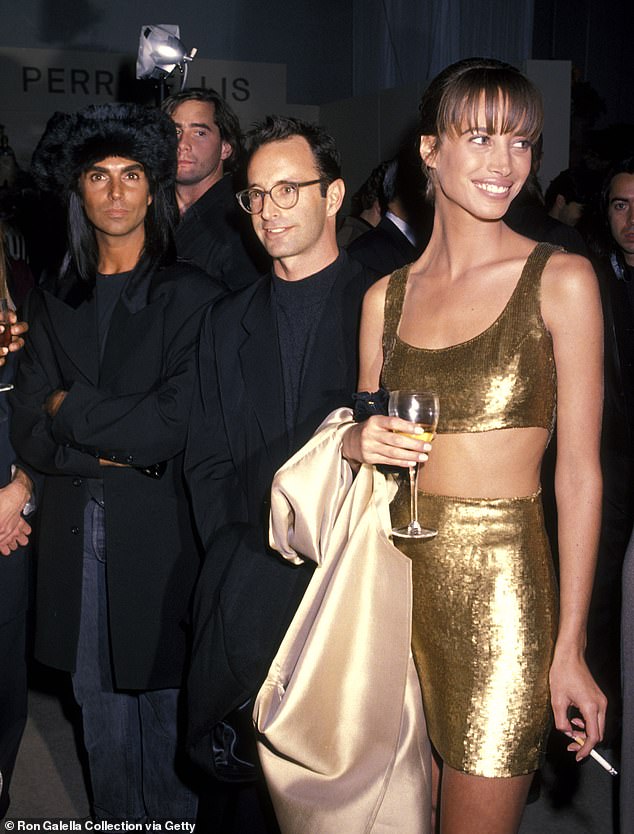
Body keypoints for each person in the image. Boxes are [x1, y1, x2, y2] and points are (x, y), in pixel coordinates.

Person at [341, 58, 607, 834]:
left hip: (502, 595)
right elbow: (356, 455)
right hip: (388, 588)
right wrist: (355, 443)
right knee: (393, 818)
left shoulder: (561, 281)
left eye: (522, 143)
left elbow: (581, 478)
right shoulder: (381, 299)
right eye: (482, 136)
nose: (505, 163)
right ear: (430, 150)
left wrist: (572, 645)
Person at [10, 102, 224, 822]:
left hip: (162, 542)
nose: (115, 191)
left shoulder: (192, 296)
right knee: (99, 723)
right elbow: (25, 428)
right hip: (76, 539)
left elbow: (174, 423)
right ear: (78, 192)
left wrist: (69, 409)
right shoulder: (51, 301)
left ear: (153, 187)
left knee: (166, 722)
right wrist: (110, 448)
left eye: (131, 174)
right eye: (98, 176)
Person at [184, 115, 375, 832]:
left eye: (288, 189)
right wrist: (253, 562)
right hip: (249, 590)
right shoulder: (223, 321)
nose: (267, 210)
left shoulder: (387, 306)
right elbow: (205, 468)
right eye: (256, 194)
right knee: (242, 807)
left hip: (354, 599)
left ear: (333, 197)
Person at [162, 87, 266, 288]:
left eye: (199, 132)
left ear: (225, 148)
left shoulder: (243, 222)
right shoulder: (148, 210)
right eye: (176, 131)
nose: (183, 144)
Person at [0, 226, 33, 820]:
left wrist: (22, 492)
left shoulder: (20, 314)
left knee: (5, 678)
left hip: (10, 529)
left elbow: (39, 420)